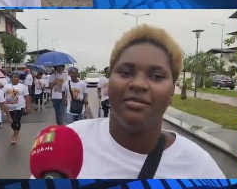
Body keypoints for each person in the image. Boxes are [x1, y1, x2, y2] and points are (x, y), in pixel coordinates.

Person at [62, 25, 225, 179]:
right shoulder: (71, 140)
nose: (138, 84)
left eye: (156, 76)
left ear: (171, 93)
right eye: (126, 73)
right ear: (108, 84)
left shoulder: (200, 169)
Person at [3, 73, 31, 145]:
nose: (13, 78)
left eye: (15, 77)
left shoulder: (23, 87)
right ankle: (15, 131)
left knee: (16, 121)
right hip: (8, 108)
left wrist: (28, 107)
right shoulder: (6, 86)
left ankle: (15, 136)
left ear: (18, 78)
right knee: (11, 121)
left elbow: (27, 97)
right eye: (12, 77)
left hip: (19, 107)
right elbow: (2, 95)